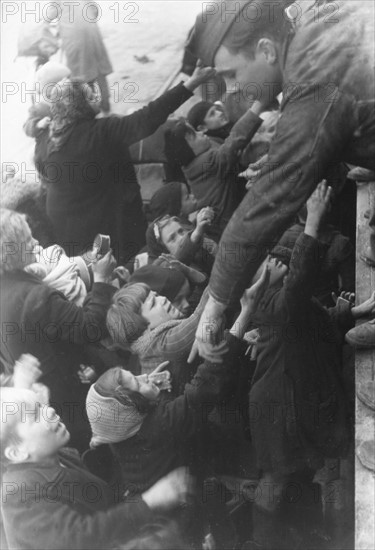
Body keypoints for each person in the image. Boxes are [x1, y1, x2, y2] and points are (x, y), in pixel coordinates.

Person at [186, 0, 375, 361]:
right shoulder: (313, 30)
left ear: (267, 50)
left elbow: (260, 212)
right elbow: (327, 130)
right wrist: (280, 160)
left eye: (231, 74)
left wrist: (214, 304)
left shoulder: (312, 79)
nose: (231, 89)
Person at [246, 182, 375, 547]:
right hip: (285, 405)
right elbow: (299, 290)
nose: (276, 262)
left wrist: (354, 310)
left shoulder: (284, 301)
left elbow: (316, 320)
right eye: (271, 261)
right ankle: (316, 540)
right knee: (317, 470)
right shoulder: (272, 302)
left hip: (286, 399)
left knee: (289, 474)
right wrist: (312, 224)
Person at [34, 63, 215, 265]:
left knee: (96, 271)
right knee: (124, 262)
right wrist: (191, 83)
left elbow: (41, 168)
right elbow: (146, 119)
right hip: (100, 227)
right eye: (90, 95)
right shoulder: (98, 132)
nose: (97, 97)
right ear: (79, 105)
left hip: (68, 229)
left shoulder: (49, 137)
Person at [0, 387, 192, 550]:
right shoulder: (19, 495)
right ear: (16, 453)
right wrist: (149, 502)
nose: (49, 411)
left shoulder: (59, 456)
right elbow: (78, 538)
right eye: (35, 416)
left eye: (42, 405)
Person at [0, 209, 117, 450]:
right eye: (27, 240)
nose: (35, 242)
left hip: (42, 402)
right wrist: (103, 281)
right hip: (72, 399)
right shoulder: (36, 297)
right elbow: (91, 328)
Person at [165, 99, 264, 239]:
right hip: (241, 230)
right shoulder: (206, 162)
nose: (201, 134)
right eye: (195, 134)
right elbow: (234, 143)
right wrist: (259, 105)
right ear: (189, 148)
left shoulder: (193, 165)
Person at [146, 211, 217, 276]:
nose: (181, 237)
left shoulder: (204, 242)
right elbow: (176, 261)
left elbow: (226, 258)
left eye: (181, 231)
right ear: (164, 250)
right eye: (172, 238)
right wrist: (195, 235)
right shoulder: (162, 268)